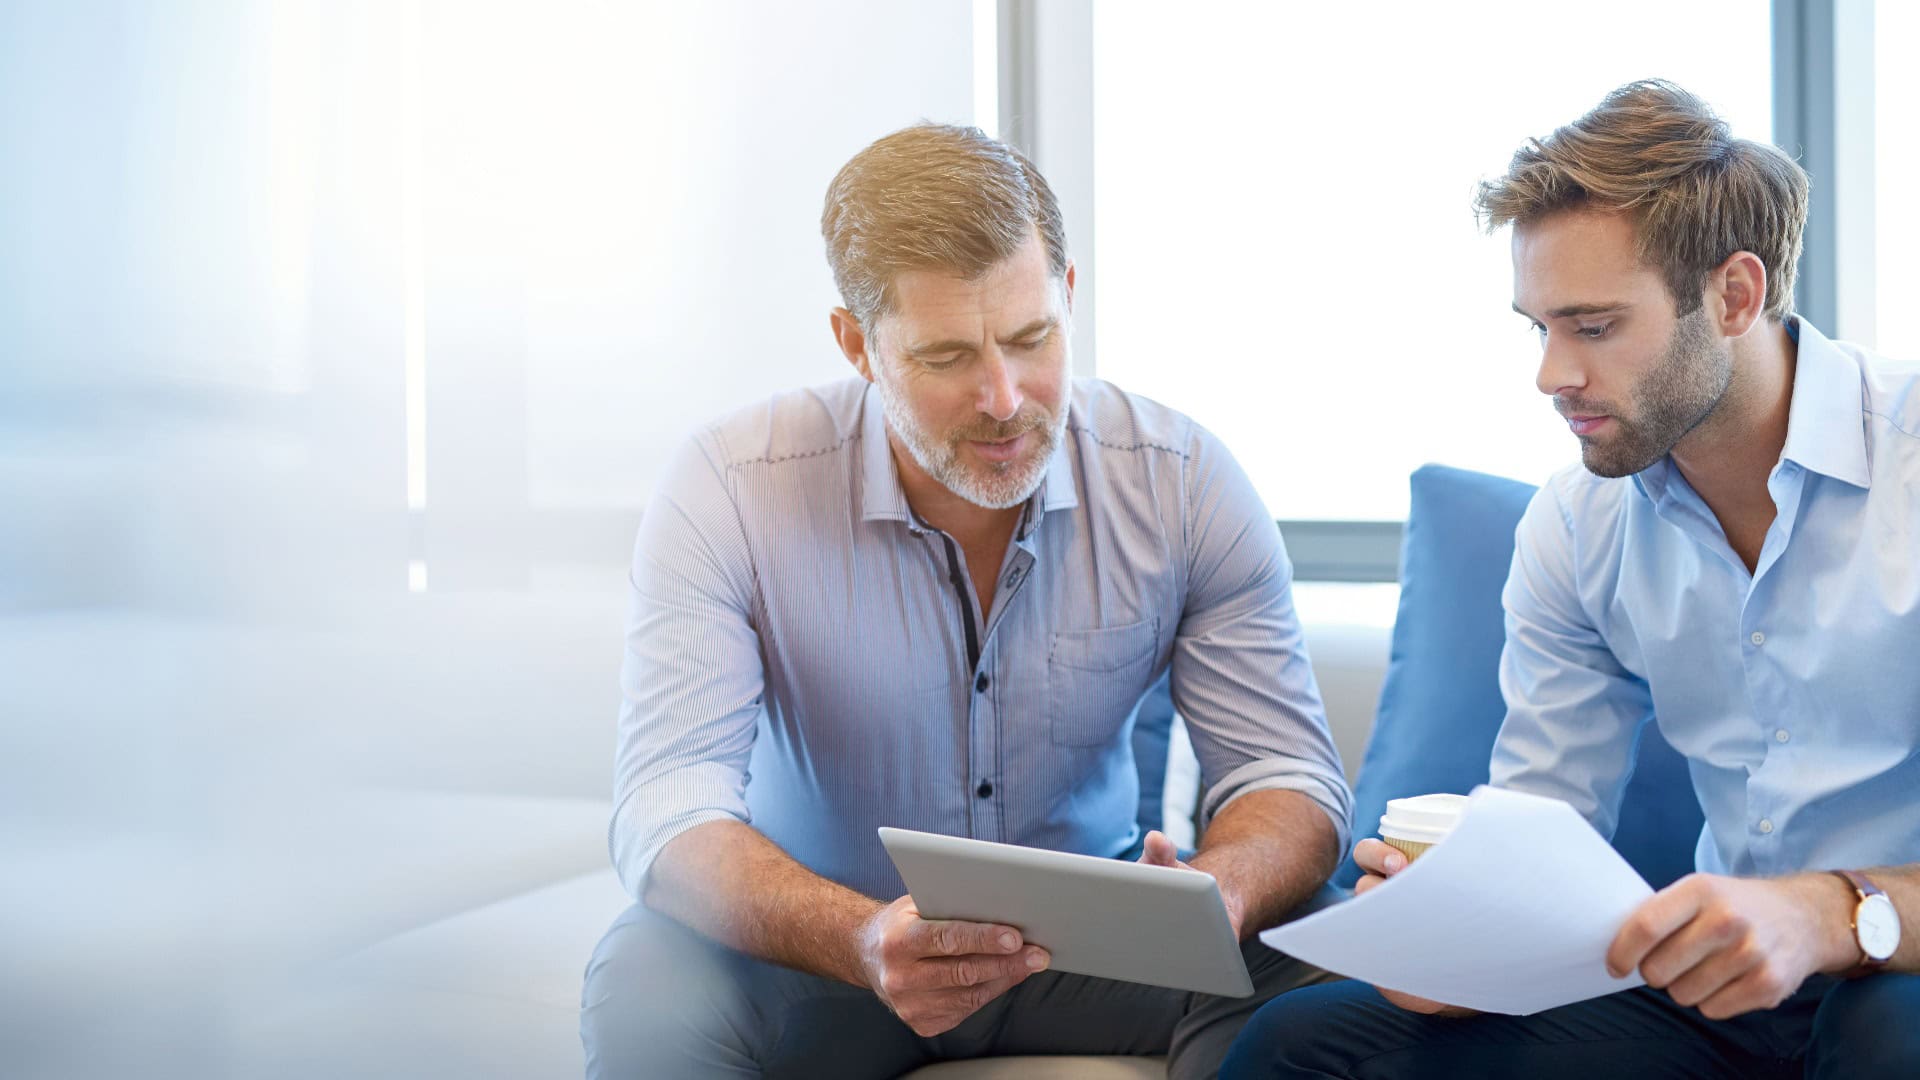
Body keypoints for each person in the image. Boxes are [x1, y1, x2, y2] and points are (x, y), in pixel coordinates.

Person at [580, 122, 1352, 1079]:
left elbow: (1290, 776)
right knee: (646, 980)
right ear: (857, 343)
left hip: (1100, 954)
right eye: (946, 357)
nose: (1003, 397)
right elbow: (669, 806)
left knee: (1330, 953)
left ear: (1068, 295)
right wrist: (862, 939)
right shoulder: (732, 484)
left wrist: (1222, 894)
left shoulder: (1182, 482)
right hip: (827, 955)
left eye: (1032, 339)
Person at [1222, 80, 1920, 1080]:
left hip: (1899, 975)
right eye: (1539, 327)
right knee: (1303, 1046)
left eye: (1593, 328)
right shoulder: (1579, 524)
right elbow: (1542, 835)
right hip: (1718, 999)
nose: (1552, 374)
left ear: (1734, 295)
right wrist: (1455, 941)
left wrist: (1835, 912)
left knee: (1890, 1041)